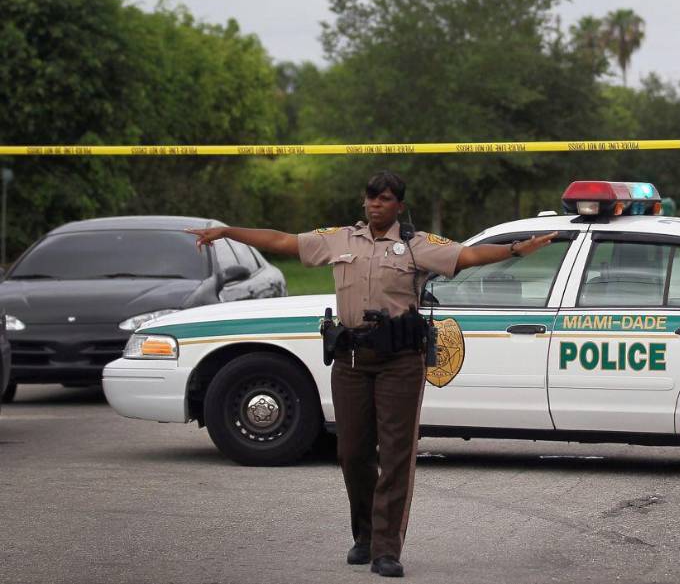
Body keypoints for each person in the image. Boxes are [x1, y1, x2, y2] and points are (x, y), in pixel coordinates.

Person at [188, 171, 555, 578]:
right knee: (352, 452)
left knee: (396, 454)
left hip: (399, 362)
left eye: (384, 199)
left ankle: (386, 549)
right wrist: (227, 232)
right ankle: (363, 535)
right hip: (351, 360)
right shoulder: (339, 239)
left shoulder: (417, 245)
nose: (375, 205)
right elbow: (283, 241)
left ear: (399, 204)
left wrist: (518, 249)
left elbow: (468, 257)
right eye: (370, 198)